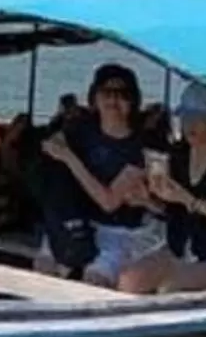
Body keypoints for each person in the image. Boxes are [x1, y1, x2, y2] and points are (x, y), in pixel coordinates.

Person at [34, 62, 167, 284]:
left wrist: (69, 158)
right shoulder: (81, 130)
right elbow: (51, 146)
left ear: (133, 101)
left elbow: (109, 201)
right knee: (45, 266)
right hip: (76, 222)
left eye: (122, 94)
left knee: (95, 278)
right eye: (107, 92)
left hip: (119, 231)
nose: (113, 101)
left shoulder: (141, 147)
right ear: (94, 97)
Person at [117, 85, 206, 293]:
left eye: (198, 119)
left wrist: (189, 200)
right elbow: (173, 210)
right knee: (129, 281)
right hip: (181, 249)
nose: (189, 125)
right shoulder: (179, 154)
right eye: (185, 118)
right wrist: (149, 201)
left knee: (172, 289)